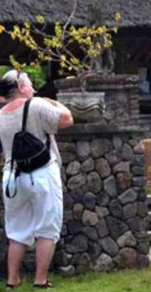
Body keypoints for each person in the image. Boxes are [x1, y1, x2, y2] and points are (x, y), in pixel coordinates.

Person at [0, 70, 73, 289]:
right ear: (21, 88)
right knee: (47, 228)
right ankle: (40, 279)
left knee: (17, 231)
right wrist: (54, 102)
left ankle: (13, 280)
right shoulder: (37, 105)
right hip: (42, 172)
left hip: (12, 176)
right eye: (31, 85)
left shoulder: (0, 114)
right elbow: (67, 120)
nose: (33, 89)